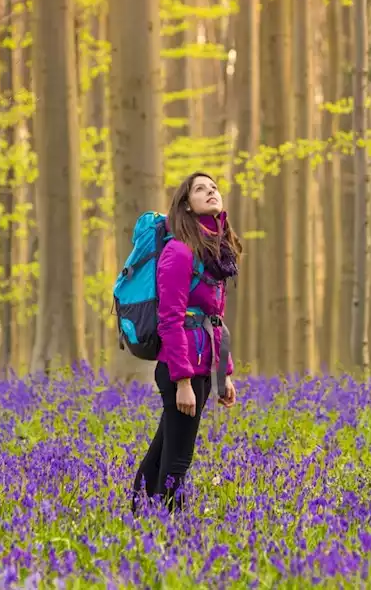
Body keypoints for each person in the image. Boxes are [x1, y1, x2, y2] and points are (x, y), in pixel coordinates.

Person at [132, 171, 241, 513]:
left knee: (163, 451)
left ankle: (137, 519)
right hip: (182, 371)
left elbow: (215, 320)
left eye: (214, 187)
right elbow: (171, 318)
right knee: (178, 461)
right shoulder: (179, 252)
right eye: (200, 189)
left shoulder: (214, 254)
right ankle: (172, 535)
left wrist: (224, 375)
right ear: (187, 206)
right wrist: (182, 382)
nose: (211, 192)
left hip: (202, 367)